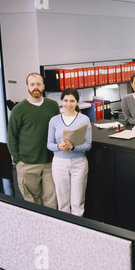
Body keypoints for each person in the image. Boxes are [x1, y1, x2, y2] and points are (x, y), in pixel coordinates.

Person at [7, 72, 60, 208]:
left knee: (52, 202)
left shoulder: (52, 105)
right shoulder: (18, 110)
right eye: (32, 84)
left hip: (49, 162)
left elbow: (58, 129)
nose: (35, 87)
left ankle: (50, 228)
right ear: (27, 87)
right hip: (27, 164)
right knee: (32, 203)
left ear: (43, 86)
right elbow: (11, 137)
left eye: (38, 84)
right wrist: (18, 161)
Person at [47, 88, 92, 216]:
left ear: (77, 102)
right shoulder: (54, 120)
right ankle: (64, 229)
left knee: (78, 201)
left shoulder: (84, 119)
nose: (68, 104)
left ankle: (77, 229)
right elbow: (49, 144)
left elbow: (88, 145)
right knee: (62, 201)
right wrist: (58, 146)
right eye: (66, 100)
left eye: (72, 101)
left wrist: (73, 147)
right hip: (59, 162)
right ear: (61, 101)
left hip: (79, 162)